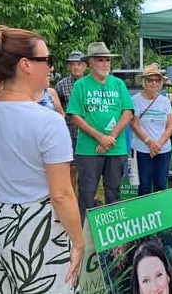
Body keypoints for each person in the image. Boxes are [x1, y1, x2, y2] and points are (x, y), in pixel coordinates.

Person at [0, 17, 83, 292]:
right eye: (47, 59)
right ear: (25, 64)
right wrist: (79, 242)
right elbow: (61, 194)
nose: (51, 67)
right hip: (39, 230)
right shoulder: (49, 122)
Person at [66, 42, 133, 224]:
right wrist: (100, 138)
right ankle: (85, 234)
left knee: (114, 191)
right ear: (90, 63)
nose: (105, 64)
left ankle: (113, 233)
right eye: (100, 60)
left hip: (116, 148)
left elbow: (128, 112)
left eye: (107, 60)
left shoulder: (118, 84)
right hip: (89, 149)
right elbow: (75, 116)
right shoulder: (81, 85)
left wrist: (110, 137)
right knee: (87, 192)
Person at [130, 63, 172, 195]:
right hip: (143, 149)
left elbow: (170, 125)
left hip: (163, 149)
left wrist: (159, 144)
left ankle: (159, 212)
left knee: (161, 184)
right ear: (144, 81)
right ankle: (144, 212)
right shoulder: (135, 100)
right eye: (150, 80)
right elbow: (133, 124)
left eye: (157, 80)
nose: (153, 83)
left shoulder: (165, 101)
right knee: (144, 185)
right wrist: (149, 142)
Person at [56, 50, 87, 191]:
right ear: (68, 67)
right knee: (72, 168)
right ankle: (72, 198)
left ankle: (88, 200)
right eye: (72, 64)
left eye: (79, 64)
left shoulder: (92, 83)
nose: (76, 67)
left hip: (89, 134)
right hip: (70, 133)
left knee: (89, 170)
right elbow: (56, 109)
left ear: (85, 66)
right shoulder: (61, 86)